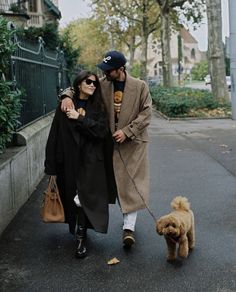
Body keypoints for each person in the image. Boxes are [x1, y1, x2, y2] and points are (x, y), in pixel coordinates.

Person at [60, 51, 152, 248]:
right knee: (111, 184)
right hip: (108, 144)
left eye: (109, 70)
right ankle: (89, 223)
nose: (105, 74)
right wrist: (66, 95)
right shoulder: (103, 84)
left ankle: (129, 228)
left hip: (134, 144)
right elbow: (80, 86)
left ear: (120, 69)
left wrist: (128, 131)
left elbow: (147, 113)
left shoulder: (140, 86)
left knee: (131, 185)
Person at [44, 70, 113, 258]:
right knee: (73, 196)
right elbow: (54, 136)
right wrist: (51, 167)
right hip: (69, 161)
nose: (92, 85)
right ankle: (78, 229)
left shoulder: (98, 106)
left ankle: (81, 237)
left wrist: (80, 118)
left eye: (95, 83)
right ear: (79, 84)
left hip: (91, 163)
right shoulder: (65, 105)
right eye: (88, 82)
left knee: (82, 199)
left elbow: (101, 132)